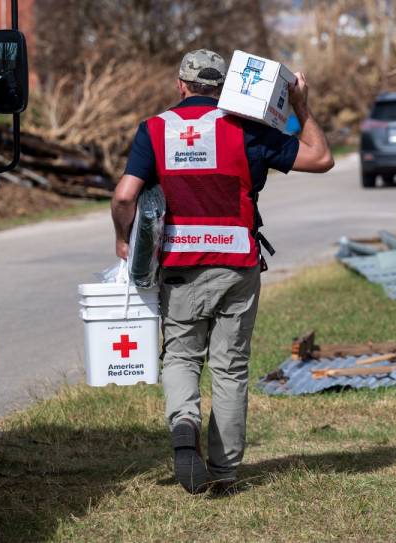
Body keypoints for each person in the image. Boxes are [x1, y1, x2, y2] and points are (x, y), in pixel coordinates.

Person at [111, 49, 333, 495]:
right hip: (236, 263)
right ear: (223, 87)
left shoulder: (154, 130)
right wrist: (301, 107)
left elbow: (123, 196)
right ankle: (225, 471)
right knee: (230, 368)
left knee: (180, 356)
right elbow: (321, 158)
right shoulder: (248, 128)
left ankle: (184, 420)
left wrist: (123, 239)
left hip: (180, 265)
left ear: (181, 85)